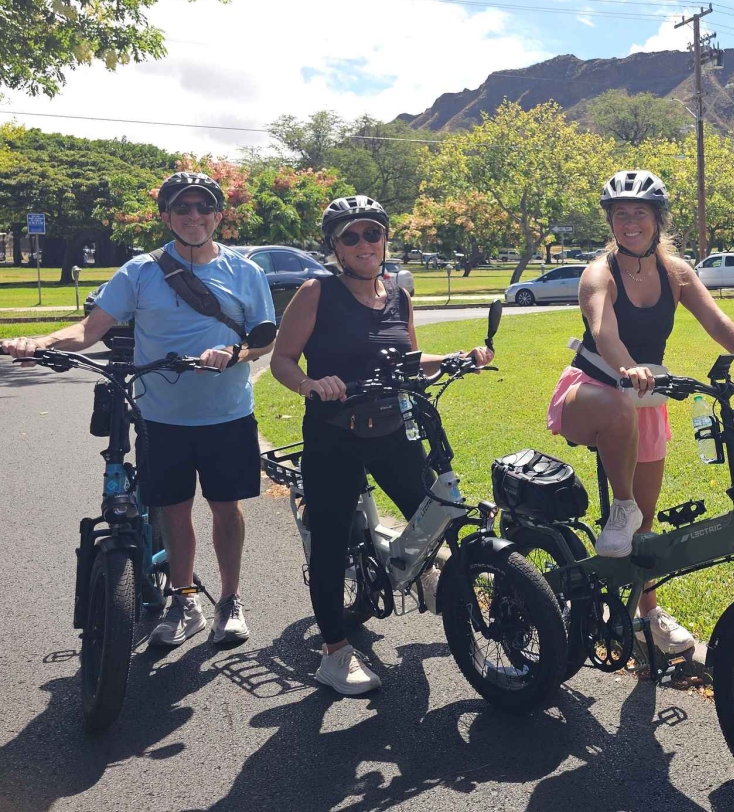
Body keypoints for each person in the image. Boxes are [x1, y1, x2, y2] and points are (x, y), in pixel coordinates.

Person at [2, 171, 277, 648]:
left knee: (225, 509)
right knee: (173, 511)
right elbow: (92, 328)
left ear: (218, 214)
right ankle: (185, 598)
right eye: (183, 208)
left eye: (203, 207)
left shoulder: (245, 272)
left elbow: (261, 340)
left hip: (227, 413)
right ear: (166, 215)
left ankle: (230, 599)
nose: (194, 216)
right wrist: (42, 340)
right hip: (160, 418)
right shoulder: (140, 271)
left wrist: (233, 354)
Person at [547, 169, 734, 656]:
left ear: (657, 220)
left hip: (647, 395)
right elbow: (604, 331)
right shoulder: (599, 273)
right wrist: (629, 369)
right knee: (621, 432)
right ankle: (619, 507)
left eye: (640, 213)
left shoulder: (676, 271)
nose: (630, 223)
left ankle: (648, 614)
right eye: (620, 215)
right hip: (593, 390)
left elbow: (715, 319)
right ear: (610, 222)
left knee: (648, 522)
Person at [268, 196, 493, 696]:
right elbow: (283, 360)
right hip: (335, 434)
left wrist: (459, 357)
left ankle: (444, 592)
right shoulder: (316, 292)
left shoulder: (399, 295)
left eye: (372, 233)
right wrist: (311, 384)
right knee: (329, 541)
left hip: (393, 428)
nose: (364, 244)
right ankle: (333, 652)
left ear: (385, 238)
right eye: (351, 237)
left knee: (433, 515)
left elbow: (411, 358)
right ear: (335, 246)